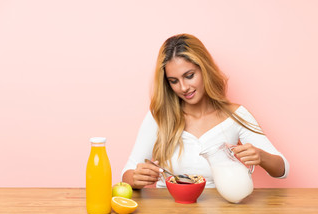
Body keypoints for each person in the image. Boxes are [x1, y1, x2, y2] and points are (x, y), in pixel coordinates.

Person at [121, 33, 289, 189]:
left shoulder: (235, 115)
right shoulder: (159, 116)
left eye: (189, 75)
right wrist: (136, 178)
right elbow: (126, 174)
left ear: (204, 69)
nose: (184, 87)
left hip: (221, 213)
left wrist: (261, 156)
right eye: (174, 81)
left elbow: (282, 170)